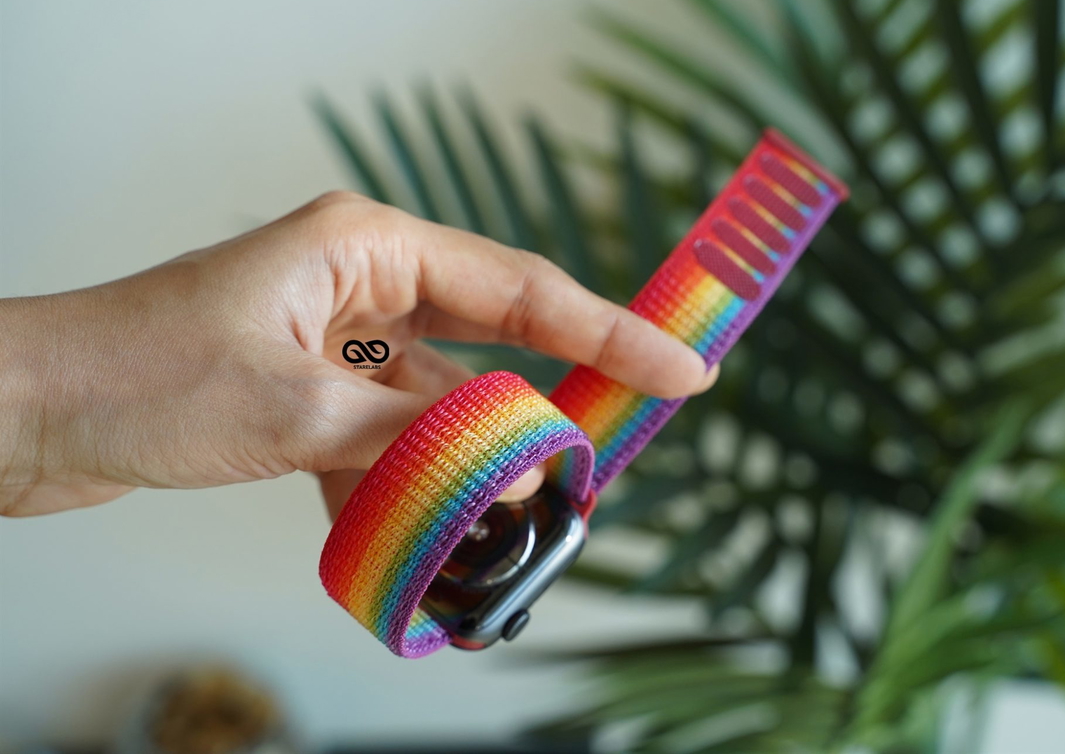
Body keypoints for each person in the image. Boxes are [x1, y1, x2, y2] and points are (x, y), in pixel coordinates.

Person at [0, 191, 717, 518]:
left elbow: (358, 352)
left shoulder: (358, 345)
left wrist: (42, 424)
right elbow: (358, 355)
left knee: (360, 352)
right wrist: (41, 410)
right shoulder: (360, 347)